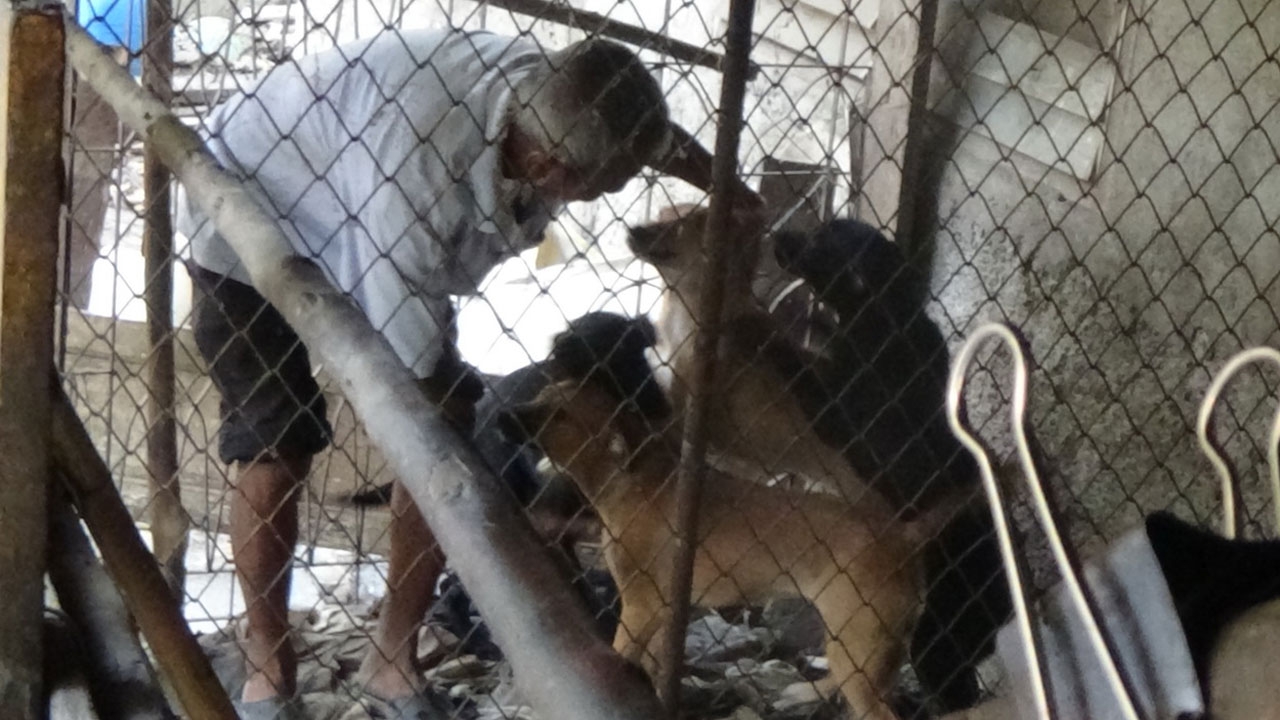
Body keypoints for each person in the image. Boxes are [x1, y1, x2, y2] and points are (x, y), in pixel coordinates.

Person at [175, 26, 759, 720]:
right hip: (247, 199)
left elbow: (645, 139)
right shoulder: (418, 187)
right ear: (547, 167)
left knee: (447, 427)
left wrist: (731, 190)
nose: (607, 197)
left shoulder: (565, 97)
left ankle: (393, 663)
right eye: (600, 188)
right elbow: (411, 387)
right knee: (285, 437)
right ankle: (267, 671)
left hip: (357, 171)